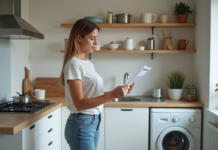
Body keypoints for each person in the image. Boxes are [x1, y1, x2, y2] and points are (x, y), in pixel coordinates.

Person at [58, 19, 135, 150]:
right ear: (79, 38)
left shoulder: (87, 63)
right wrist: (111, 95)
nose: (96, 43)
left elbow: (93, 95)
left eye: (96, 38)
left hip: (93, 122)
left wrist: (117, 92)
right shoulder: (73, 64)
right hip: (82, 124)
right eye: (92, 38)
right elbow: (80, 104)